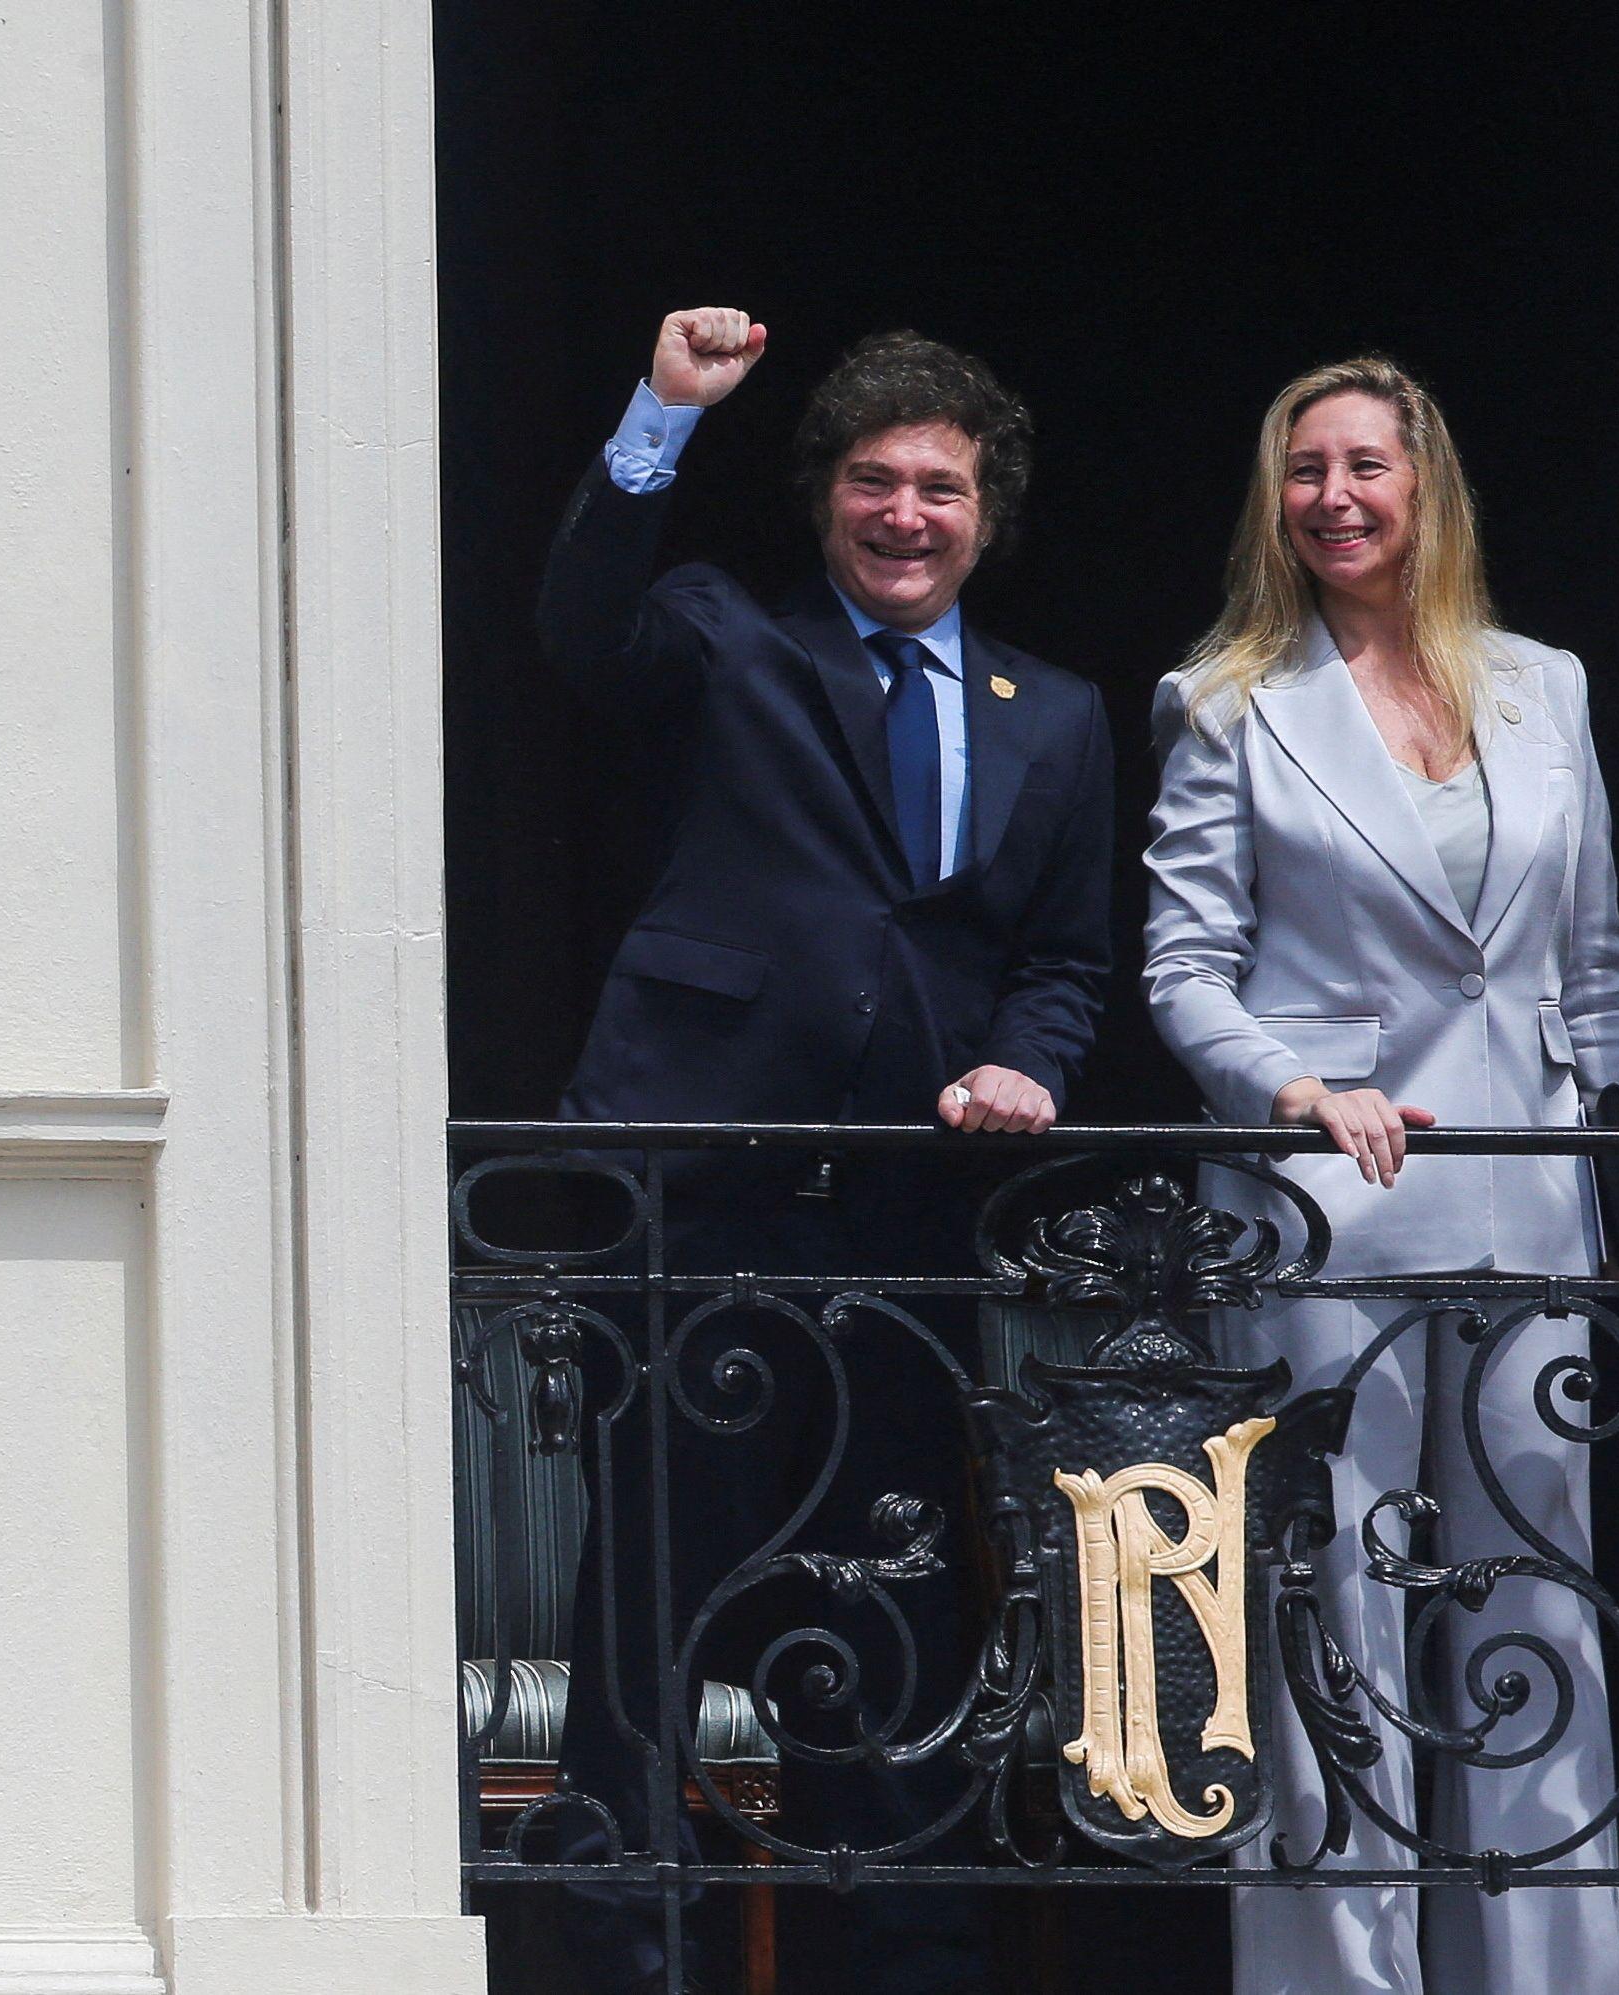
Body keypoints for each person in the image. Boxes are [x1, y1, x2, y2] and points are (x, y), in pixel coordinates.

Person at [538, 308, 1115, 1993]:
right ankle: (622, 1964)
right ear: (825, 500)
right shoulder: (729, 639)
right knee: (645, 1631)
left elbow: (1066, 963)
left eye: (941, 487)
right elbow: (580, 629)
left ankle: (904, 1962)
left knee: (893, 1621)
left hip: (903, 1223)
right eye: (874, 481)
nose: (907, 515)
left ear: (987, 512)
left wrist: (1024, 1059)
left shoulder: (1057, 714)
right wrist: (659, 409)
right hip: (701, 1199)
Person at [1142, 355, 1619, 1995]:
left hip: (1525, 1203)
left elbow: (1592, 970)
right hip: (1327, 1216)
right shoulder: (1228, 701)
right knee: (1331, 1617)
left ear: (1423, 489)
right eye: (1304, 471)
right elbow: (1182, 968)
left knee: (1533, 1611)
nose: (1335, 498)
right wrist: (1293, 1087)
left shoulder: (1543, 686)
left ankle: (1546, 1978)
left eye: (1365, 465)